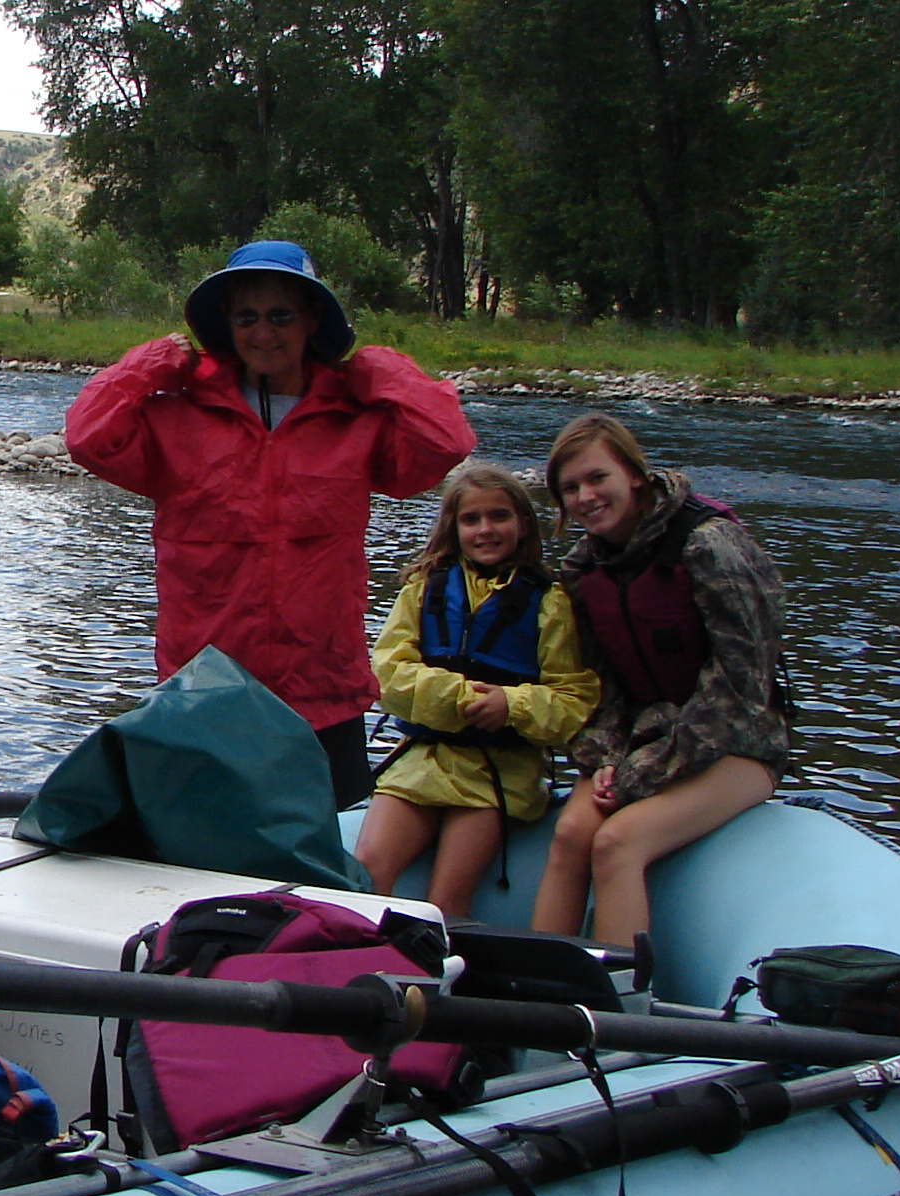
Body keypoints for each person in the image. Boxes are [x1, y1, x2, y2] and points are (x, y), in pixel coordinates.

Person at [64, 239, 474, 804]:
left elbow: (444, 441)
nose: (263, 332)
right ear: (227, 326)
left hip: (323, 694)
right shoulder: (174, 415)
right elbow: (87, 436)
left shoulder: (356, 420)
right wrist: (152, 360)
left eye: (281, 315)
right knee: (201, 866)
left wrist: (379, 367)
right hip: (203, 693)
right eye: (246, 317)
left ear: (312, 321)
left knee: (323, 871)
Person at [533, 412, 789, 950]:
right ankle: (536, 1000)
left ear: (633, 473)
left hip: (738, 747)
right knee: (572, 833)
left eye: (596, 478)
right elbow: (599, 684)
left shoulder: (711, 546)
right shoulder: (584, 570)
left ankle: (621, 1015)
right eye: (570, 488)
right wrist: (604, 756)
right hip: (640, 743)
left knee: (617, 843)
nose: (585, 497)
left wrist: (641, 774)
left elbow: (741, 688)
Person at [356, 463, 598, 918]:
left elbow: (573, 700)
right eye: (471, 520)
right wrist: (461, 697)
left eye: (499, 516)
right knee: (366, 869)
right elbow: (388, 673)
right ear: (454, 527)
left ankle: (436, 983)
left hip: (497, 774)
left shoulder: (550, 601)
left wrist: (511, 703)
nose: (486, 529)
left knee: (446, 899)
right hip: (422, 762)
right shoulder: (424, 587)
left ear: (522, 524)